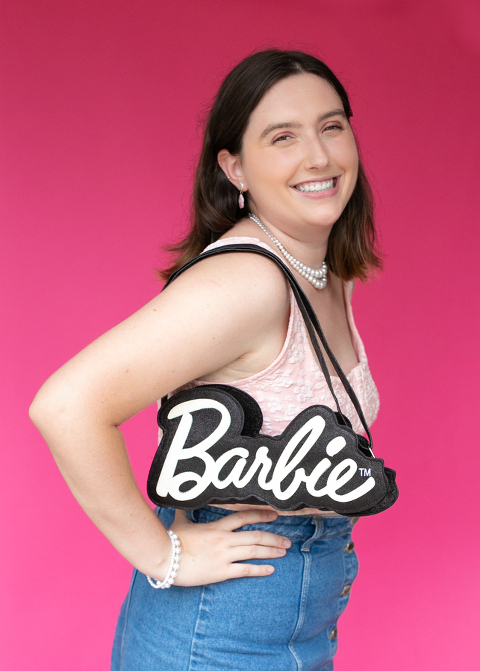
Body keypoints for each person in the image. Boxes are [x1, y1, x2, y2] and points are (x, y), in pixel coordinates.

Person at [29, 49, 382, 670]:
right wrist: (163, 555)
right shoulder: (249, 282)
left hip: (298, 612)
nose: (319, 157)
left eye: (331, 126)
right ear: (234, 167)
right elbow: (66, 406)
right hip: (221, 632)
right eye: (283, 137)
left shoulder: (325, 271)